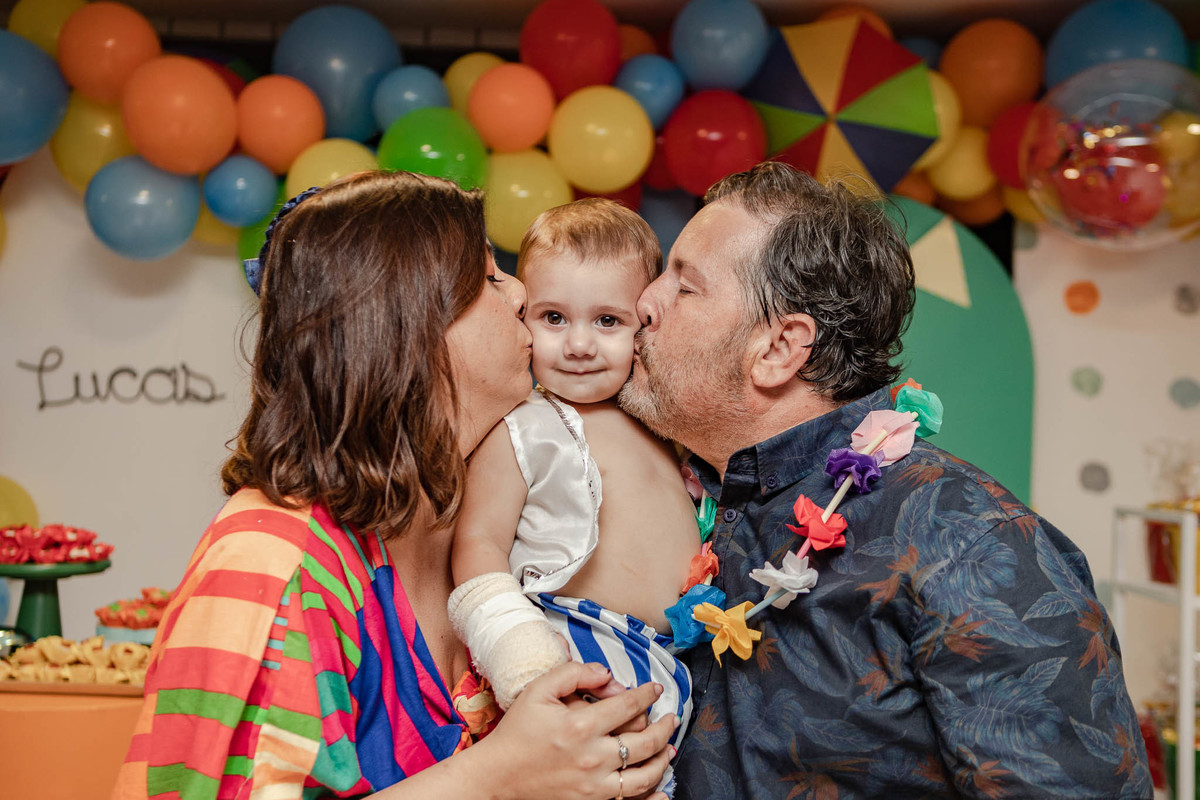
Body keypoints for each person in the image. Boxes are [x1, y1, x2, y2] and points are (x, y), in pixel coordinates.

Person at [112, 171, 675, 800]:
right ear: (412, 326)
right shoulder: (270, 562)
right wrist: (495, 777)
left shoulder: (491, 521)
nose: (520, 291)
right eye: (489, 277)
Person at [618, 162, 1152, 799]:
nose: (643, 303)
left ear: (779, 348)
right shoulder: (680, 498)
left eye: (684, 286)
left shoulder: (967, 541)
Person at [450, 199, 703, 794]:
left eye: (608, 320)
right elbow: (478, 540)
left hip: (668, 660)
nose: (580, 344)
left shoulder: (662, 424)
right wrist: (523, 657)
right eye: (554, 318)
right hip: (578, 648)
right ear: (522, 317)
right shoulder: (523, 424)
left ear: (645, 322)